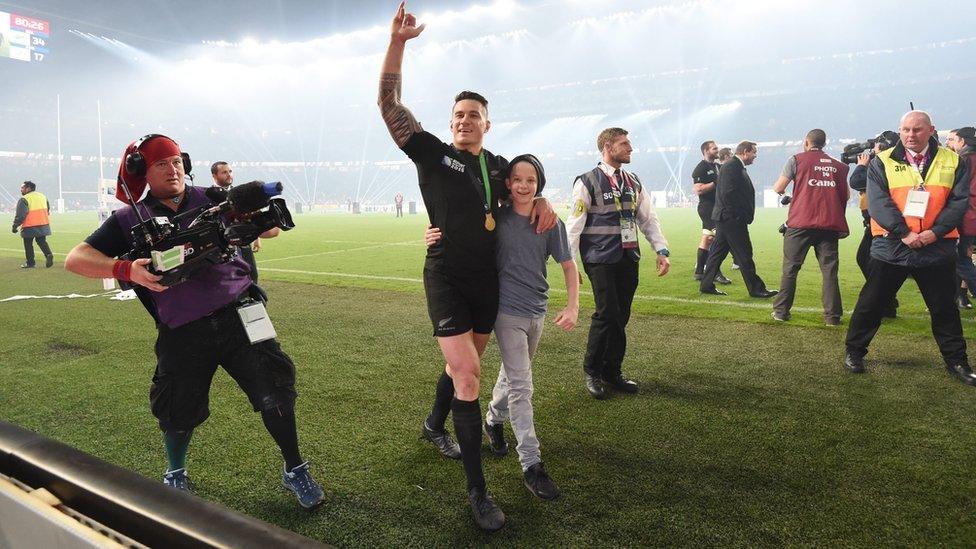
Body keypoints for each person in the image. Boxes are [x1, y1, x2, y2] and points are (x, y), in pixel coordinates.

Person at [64, 134, 326, 508]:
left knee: (276, 390)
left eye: (176, 162)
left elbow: (270, 229)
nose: (173, 170)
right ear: (142, 173)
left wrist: (249, 212)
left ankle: (295, 467)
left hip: (242, 313)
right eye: (161, 164)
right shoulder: (128, 219)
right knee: (177, 408)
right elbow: (75, 259)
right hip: (183, 328)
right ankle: (175, 471)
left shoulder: (214, 198)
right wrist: (125, 269)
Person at [377, 2, 557, 531]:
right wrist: (398, 43)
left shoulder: (500, 168)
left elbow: (528, 186)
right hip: (446, 275)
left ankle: (435, 423)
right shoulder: (432, 152)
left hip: (489, 284)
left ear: (486, 123)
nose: (463, 121)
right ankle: (479, 493)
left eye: (472, 115)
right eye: (457, 114)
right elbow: (389, 104)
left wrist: (542, 199)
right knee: (472, 376)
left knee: (462, 369)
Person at [426, 154, 580, 501]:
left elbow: (569, 266)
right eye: (517, 179)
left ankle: (494, 419)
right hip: (505, 311)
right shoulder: (495, 218)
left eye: (531, 181)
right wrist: (433, 232)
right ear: (507, 184)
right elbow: (461, 229)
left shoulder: (549, 221)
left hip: (536, 311)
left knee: (513, 375)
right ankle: (531, 464)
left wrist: (572, 306)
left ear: (539, 185)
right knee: (523, 385)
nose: (523, 186)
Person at [844, 111, 976, 386]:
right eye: (905, 129)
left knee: (944, 309)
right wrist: (905, 233)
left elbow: (959, 201)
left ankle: (957, 362)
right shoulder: (882, 161)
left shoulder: (953, 161)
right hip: (892, 245)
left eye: (917, 130)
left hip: (936, 246)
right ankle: (854, 352)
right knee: (871, 304)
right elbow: (878, 203)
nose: (910, 135)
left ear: (931, 130)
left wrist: (933, 233)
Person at [566, 127, 670, 400]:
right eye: (624, 144)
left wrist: (661, 250)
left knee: (621, 316)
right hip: (599, 259)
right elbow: (574, 225)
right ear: (608, 147)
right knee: (607, 313)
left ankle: (612, 371)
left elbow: (648, 219)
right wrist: (571, 262)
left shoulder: (633, 181)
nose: (630, 148)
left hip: (628, 257)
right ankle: (592, 371)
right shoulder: (587, 181)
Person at [770, 129, 850, 324]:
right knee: (829, 271)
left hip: (800, 223)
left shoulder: (796, 160)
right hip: (829, 224)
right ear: (824, 143)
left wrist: (793, 196)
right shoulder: (839, 166)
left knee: (791, 268)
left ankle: (781, 312)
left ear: (806, 142)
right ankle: (832, 317)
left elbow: (778, 188)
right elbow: (846, 195)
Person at [699, 141, 778, 298]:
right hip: (731, 218)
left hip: (727, 217)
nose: (755, 156)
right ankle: (756, 289)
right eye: (754, 152)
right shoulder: (732, 166)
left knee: (717, 253)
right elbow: (728, 194)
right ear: (746, 151)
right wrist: (738, 215)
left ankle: (706, 284)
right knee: (744, 253)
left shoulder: (734, 166)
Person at [849, 132, 900, 318]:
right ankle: (888, 301)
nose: (872, 152)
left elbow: (856, 181)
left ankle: (885, 302)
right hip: (878, 223)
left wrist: (862, 166)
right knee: (868, 260)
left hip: (881, 224)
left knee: (870, 261)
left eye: (876, 148)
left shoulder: (884, 164)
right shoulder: (889, 162)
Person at [211, 161, 260, 282]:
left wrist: (257, 239)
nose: (229, 174)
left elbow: (252, 216)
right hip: (222, 245)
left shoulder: (241, 194)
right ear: (214, 176)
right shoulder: (208, 195)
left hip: (243, 241)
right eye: (224, 172)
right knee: (227, 278)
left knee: (252, 275)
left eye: (230, 171)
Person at [691, 140, 731, 285]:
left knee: (707, 239)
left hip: (717, 207)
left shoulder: (717, 166)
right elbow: (699, 189)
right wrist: (716, 183)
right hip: (708, 208)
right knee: (720, 238)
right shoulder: (700, 168)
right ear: (706, 151)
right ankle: (715, 273)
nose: (717, 150)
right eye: (714, 149)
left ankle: (699, 271)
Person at [945, 127, 976, 309]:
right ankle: (957, 297)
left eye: (953, 140)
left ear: (962, 141)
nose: (951, 144)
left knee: (961, 261)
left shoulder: (963, 160)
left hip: (966, 218)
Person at [12, 181, 54, 269]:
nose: (21, 189)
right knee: (41, 241)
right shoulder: (43, 196)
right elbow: (47, 209)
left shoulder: (24, 199)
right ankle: (48, 254)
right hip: (43, 223)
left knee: (28, 243)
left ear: (28, 188)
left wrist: (15, 225)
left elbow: (21, 215)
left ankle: (31, 263)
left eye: (22, 188)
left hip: (29, 225)